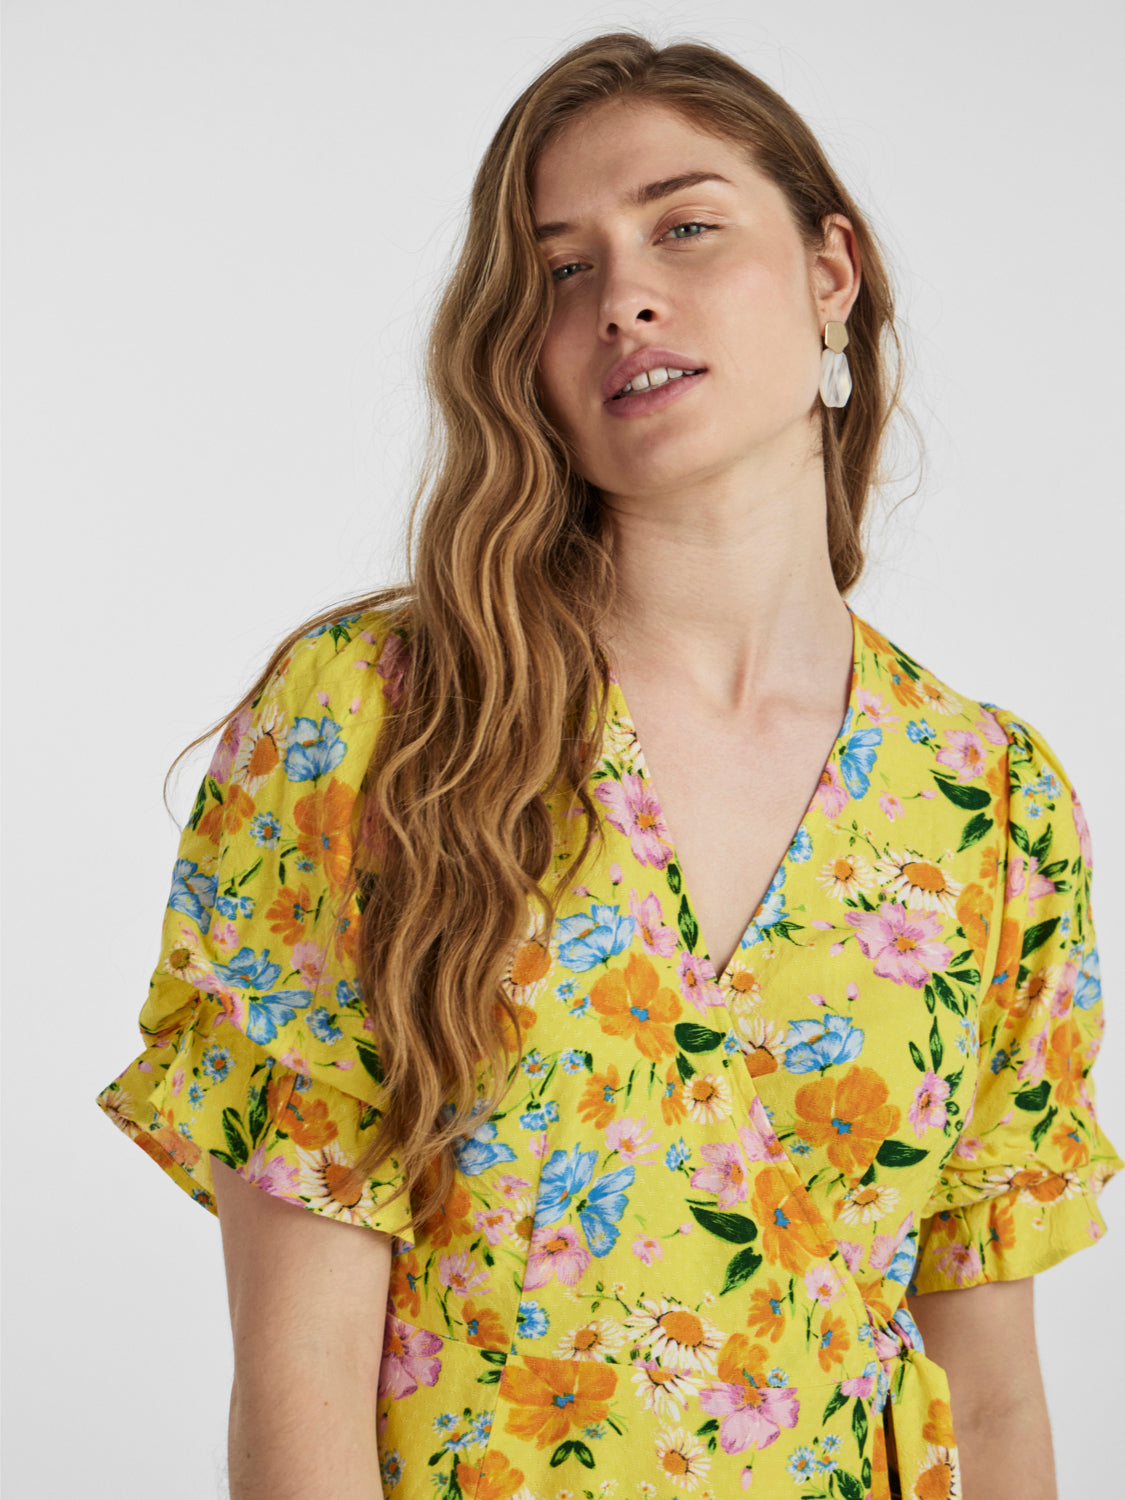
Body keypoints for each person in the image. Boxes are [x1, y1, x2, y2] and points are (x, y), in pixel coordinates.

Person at [95, 29, 1122, 1500]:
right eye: (560, 270)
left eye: (684, 228)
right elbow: (300, 1377)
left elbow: (996, 1398)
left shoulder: (988, 800)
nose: (622, 296)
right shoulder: (379, 722)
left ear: (830, 271)